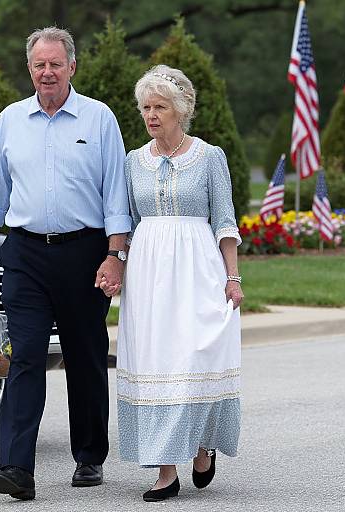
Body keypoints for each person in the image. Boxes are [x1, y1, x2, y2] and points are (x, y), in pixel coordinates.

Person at [0, 27, 131, 501]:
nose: (47, 72)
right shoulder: (10, 120)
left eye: (55, 64)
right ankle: (17, 467)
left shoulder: (99, 119)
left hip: (84, 253)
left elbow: (116, 197)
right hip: (24, 254)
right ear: (29, 68)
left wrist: (115, 255)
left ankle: (89, 456)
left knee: (84, 355)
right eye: (39, 65)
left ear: (72, 68)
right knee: (23, 356)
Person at [113, 65, 244, 502]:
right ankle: (165, 470)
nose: (151, 115)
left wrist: (233, 277)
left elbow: (224, 222)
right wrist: (118, 264)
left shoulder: (209, 157)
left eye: (160, 107)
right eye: (146, 107)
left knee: (193, 359)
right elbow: (127, 223)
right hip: (148, 273)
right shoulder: (134, 161)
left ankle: (203, 445)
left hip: (197, 269)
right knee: (155, 363)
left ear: (181, 110)